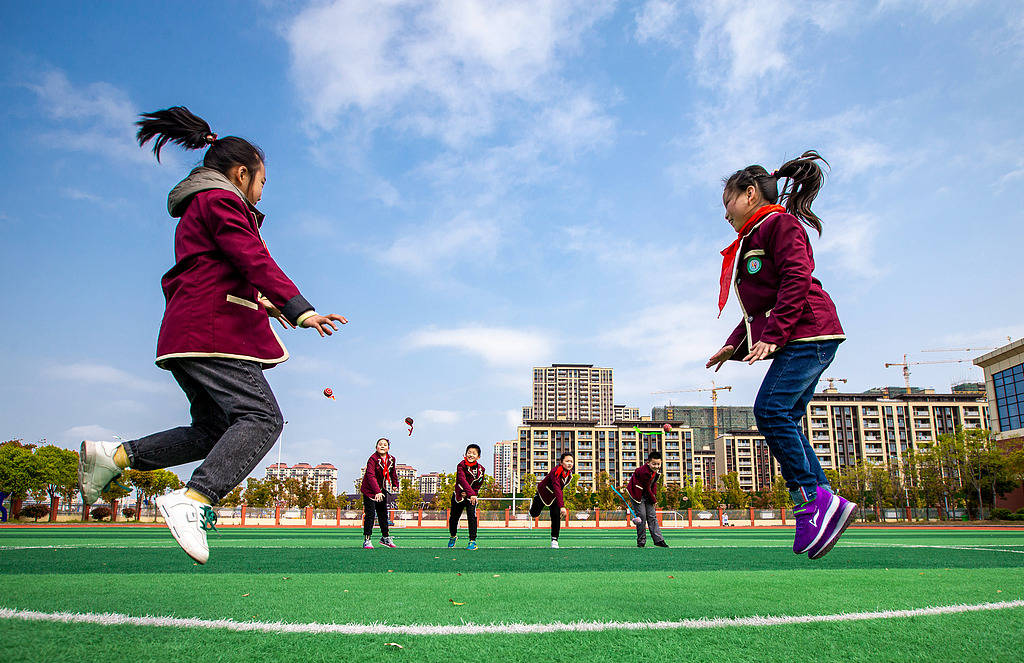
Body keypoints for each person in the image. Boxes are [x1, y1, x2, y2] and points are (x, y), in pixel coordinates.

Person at [76, 107, 347, 564]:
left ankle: (115, 456)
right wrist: (300, 309)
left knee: (212, 431)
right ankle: (195, 498)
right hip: (213, 333)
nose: (261, 194)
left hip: (190, 332)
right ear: (242, 174)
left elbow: (212, 269)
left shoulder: (201, 206)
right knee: (261, 418)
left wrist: (263, 303)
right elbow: (252, 259)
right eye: (262, 183)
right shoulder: (222, 201)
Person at [706, 150, 856, 560]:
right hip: (803, 334)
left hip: (810, 333)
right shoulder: (756, 236)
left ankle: (811, 498)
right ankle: (822, 501)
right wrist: (733, 344)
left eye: (728, 203)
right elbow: (761, 306)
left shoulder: (779, 224)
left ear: (750, 193)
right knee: (782, 415)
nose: (725, 215)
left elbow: (796, 279)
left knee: (770, 411)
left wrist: (775, 334)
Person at [361, 437, 399, 549]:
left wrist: (395, 484)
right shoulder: (372, 459)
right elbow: (370, 475)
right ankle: (367, 540)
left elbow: (393, 473)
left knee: (383, 514)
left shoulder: (391, 459)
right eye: (380, 444)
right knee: (370, 515)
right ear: (376, 447)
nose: (382, 446)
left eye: (385, 444)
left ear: (388, 448)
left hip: (381, 490)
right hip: (369, 490)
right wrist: (376, 491)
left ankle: (385, 537)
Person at [529, 453, 574, 549]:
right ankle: (533, 506)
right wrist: (562, 506)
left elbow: (560, 490)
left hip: (554, 497)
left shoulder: (569, 475)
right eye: (567, 461)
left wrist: (560, 505)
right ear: (561, 462)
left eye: (571, 461)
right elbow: (557, 487)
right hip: (543, 493)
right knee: (534, 514)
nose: (569, 463)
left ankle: (554, 540)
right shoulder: (555, 472)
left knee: (556, 516)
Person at [448, 444, 486, 550]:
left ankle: (472, 541)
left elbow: (478, 485)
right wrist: (469, 493)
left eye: (474, 453)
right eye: (469, 452)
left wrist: (473, 494)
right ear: (465, 454)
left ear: (478, 456)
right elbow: (462, 480)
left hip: (471, 497)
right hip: (459, 495)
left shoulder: (481, 470)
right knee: (454, 518)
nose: (471, 455)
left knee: (472, 517)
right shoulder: (461, 465)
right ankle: (453, 536)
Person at [626, 452, 667, 548]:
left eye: (658, 464)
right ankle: (641, 541)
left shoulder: (654, 472)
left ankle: (659, 540)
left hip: (646, 493)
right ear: (648, 462)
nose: (656, 466)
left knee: (652, 516)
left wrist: (654, 497)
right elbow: (647, 487)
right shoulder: (643, 472)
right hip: (637, 494)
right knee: (642, 517)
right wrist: (654, 500)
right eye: (654, 464)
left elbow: (653, 485)